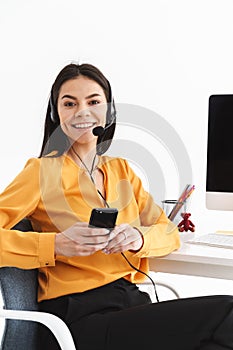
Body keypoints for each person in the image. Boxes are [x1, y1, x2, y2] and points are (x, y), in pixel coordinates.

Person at [0, 63, 233, 350]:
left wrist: (139, 238)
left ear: (109, 111)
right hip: (77, 318)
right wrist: (55, 244)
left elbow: (168, 231)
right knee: (228, 313)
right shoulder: (41, 172)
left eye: (94, 101)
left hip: (129, 302)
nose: (82, 112)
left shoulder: (121, 171)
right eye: (69, 103)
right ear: (55, 113)